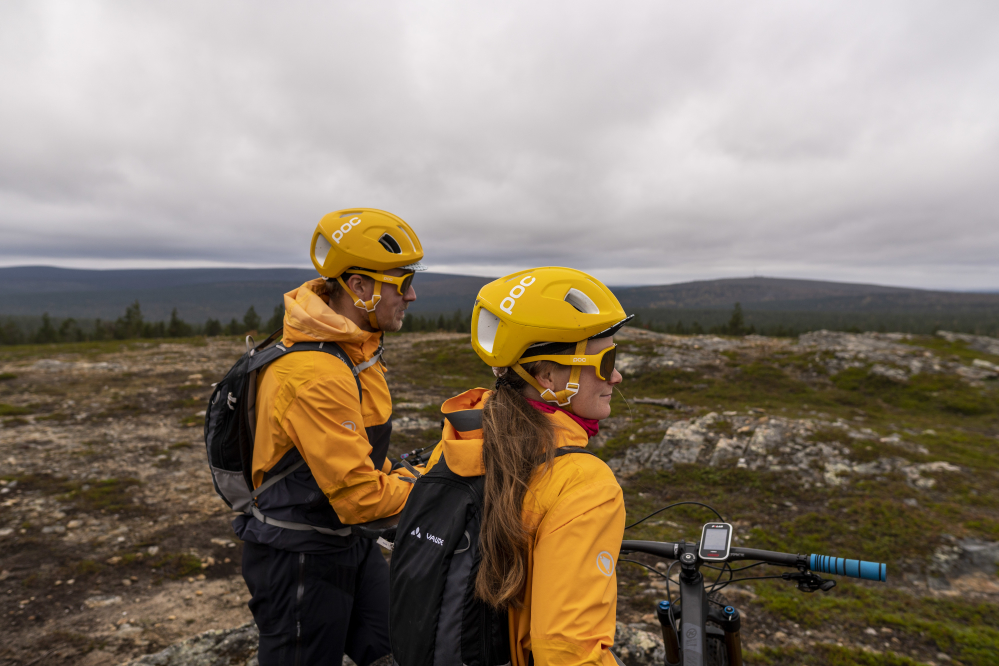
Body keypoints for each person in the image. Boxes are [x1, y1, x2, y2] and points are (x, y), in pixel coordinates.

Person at [234, 208, 425, 666]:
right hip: (300, 556)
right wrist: (432, 484)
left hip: (347, 541)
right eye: (402, 282)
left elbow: (355, 461)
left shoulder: (355, 348)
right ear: (359, 287)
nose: (412, 295)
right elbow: (360, 497)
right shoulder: (316, 371)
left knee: (397, 647)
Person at [414, 266, 631, 666]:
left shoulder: (460, 438)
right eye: (606, 361)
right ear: (548, 375)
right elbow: (566, 650)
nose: (617, 376)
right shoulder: (582, 484)